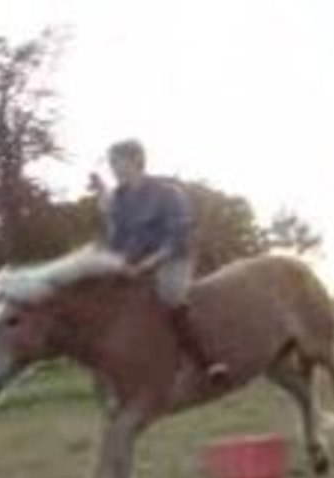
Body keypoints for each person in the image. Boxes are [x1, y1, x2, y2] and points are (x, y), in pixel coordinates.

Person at [89, 139, 229, 383]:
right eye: (111, 164)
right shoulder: (119, 200)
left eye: (117, 162)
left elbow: (178, 236)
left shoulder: (167, 194)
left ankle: (208, 361)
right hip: (136, 261)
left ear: (136, 161)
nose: (113, 169)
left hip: (172, 258)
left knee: (170, 297)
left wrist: (150, 263)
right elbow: (118, 240)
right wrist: (110, 264)